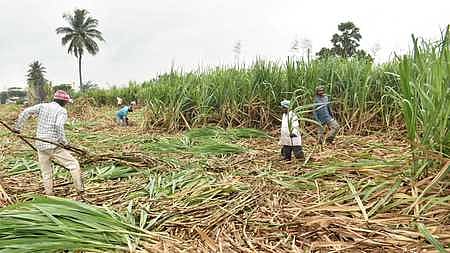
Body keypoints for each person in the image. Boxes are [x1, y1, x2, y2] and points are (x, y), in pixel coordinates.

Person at [14, 90, 84, 197]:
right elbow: (58, 126)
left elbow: (26, 111)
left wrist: (17, 128)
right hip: (53, 145)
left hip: (41, 145)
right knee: (74, 165)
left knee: (46, 172)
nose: (66, 104)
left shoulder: (43, 106)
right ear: (63, 102)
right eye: (66, 102)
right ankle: (80, 190)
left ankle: (49, 194)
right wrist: (64, 142)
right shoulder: (61, 111)